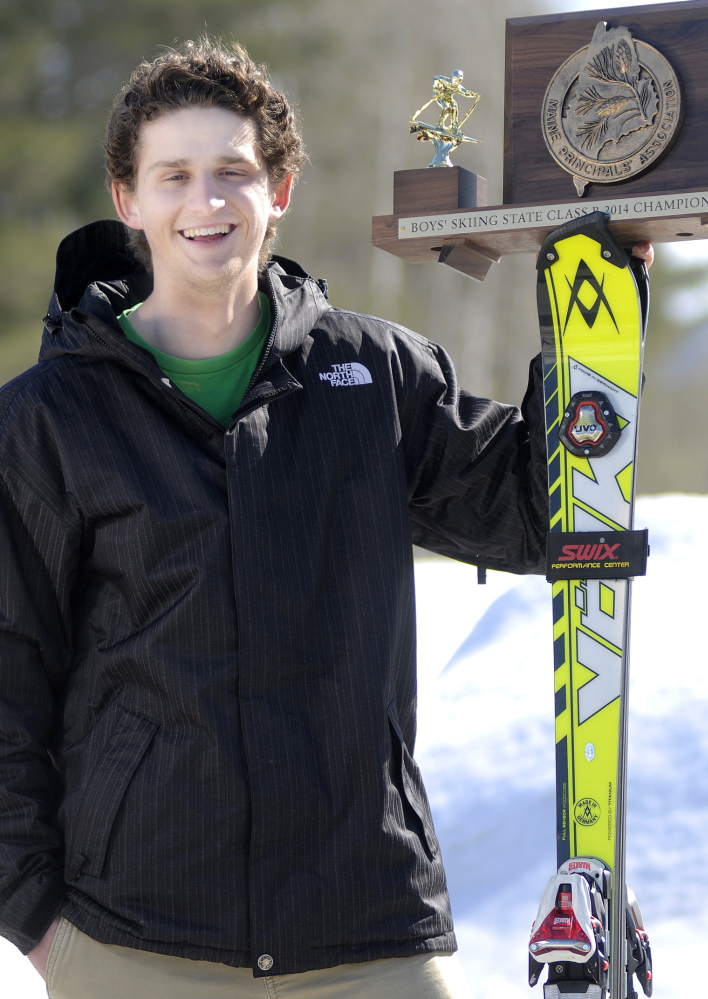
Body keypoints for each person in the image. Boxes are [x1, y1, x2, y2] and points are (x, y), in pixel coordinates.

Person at [0, 38, 652, 999]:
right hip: (135, 939)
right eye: (174, 174)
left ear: (282, 190)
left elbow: (529, 512)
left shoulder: (372, 375)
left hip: (368, 927)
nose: (206, 201)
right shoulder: (48, 419)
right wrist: (40, 919)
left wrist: (586, 330)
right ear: (127, 198)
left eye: (234, 172)